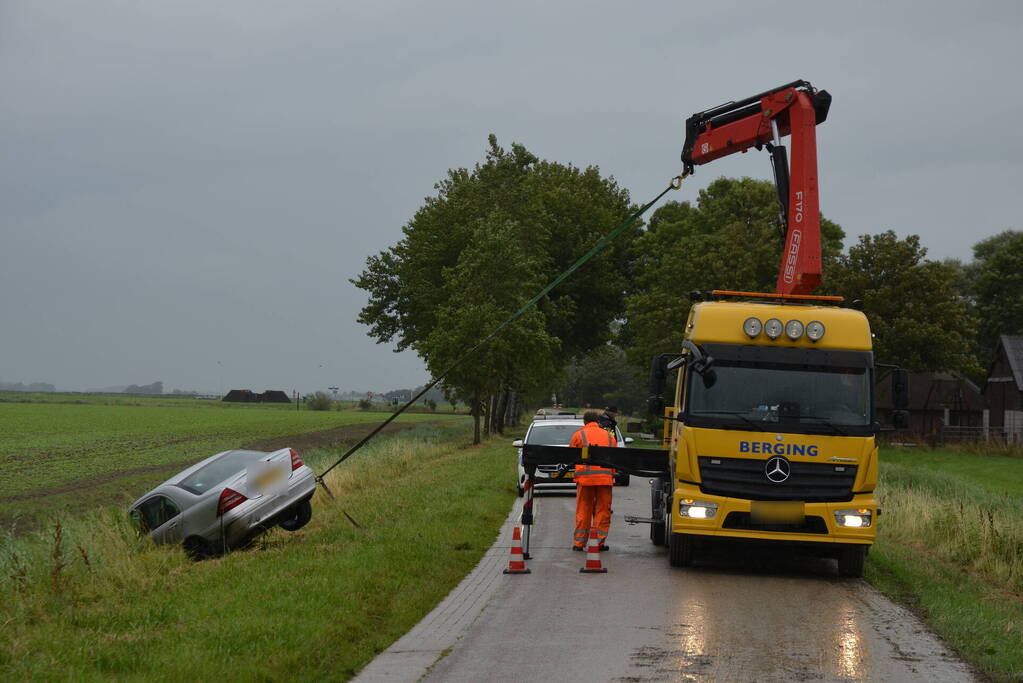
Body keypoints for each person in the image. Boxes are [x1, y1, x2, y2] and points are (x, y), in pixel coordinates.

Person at [570, 410, 617, 551]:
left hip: (585, 479)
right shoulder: (609, 436)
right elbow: (615, 458)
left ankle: (579, 543)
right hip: (605, 479)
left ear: (584, 421)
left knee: (583, 510)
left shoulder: (578, 435)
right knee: (603, 511)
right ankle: (598, 542)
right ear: (598, 421)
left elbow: (571, 456)